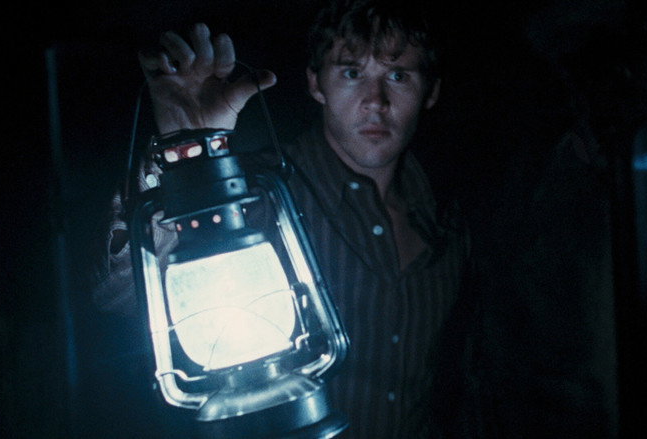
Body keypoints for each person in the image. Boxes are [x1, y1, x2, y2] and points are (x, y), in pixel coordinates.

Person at [90, 1, 468, 438]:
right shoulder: (255, 194)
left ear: (431, 91)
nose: (375, 102)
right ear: (316, 83)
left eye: (398, 76)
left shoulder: (452, 217)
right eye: (351, 73)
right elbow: (118, 294)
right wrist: (183, 152)